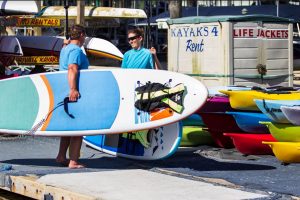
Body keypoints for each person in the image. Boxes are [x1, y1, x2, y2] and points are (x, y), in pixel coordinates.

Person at [56, 25, 89, 169]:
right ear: (81, 34)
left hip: (63, 90)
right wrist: (74, 89)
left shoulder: (65, 49)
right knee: (78, 127)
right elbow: (72, 68)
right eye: (85, 35)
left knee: (68, 127)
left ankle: (61, 156)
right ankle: (74, 161)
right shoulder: (75, 50)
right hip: (73, 90)